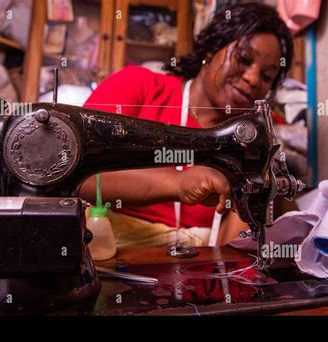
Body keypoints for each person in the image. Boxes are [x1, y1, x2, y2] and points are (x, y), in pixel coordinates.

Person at [80, 2, 293, 248]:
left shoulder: (251, 139)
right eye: (243, 59)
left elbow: (237, 248)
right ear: (212, 49)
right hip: (114, 252)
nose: (253, 79)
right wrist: (180, 183)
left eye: (267, 76)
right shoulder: (138, 85)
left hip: (202, 266)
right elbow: (81, 172)